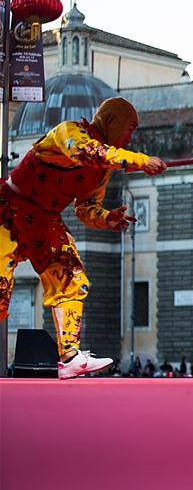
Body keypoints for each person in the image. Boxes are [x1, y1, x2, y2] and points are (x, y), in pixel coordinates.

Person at [0, 97, 166, 379]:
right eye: (130, 129)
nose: (130, 137)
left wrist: (106, 217)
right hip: (9, 206)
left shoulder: (102, 172)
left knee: (71, 278)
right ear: (110, 121)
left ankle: (70, 356)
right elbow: (87, 152)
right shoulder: (70, 131)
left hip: (44, 220)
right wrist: (140, 160)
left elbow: (86, 207)